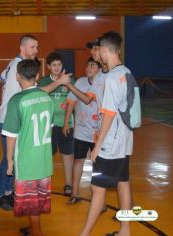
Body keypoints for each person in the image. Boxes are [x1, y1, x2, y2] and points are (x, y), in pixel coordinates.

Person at [0, 35, 69, 210]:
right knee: (9, 159)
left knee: (13, 157)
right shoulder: (16, 69)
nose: (36, 50)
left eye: (37, 47)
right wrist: (58, 82)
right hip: (9, 119)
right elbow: (32, 92)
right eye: (33, 47)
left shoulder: (16, 65)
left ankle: (7, 192)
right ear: (22, 48)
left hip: (15, 116)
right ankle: (0, 195)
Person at [80, 31, 133, 236]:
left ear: (104, 50)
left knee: (97, 189)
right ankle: (125, 231)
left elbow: (109, 114)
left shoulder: (111, 78)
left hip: (109, 144)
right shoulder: (126, 72)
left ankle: (84, 234)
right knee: (123, 182)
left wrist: (97, 146)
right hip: (124, 141)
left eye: (98, 49)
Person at [2, 59, 54, 236]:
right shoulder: (47, 97)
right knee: (38, 198)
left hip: (27, 161)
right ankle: (34, 228)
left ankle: (36, 232)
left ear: (17, 76)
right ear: (38, 76)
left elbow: (10, 135)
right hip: (44, 159)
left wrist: (9, 161)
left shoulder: (17, 100)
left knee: (31, 203)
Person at [63, 57, 101, 204]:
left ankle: (99, 198)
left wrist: (68, 84)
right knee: (78, 160)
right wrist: (66, 123)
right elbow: (71, 103)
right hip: (81, 130)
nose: (88, 68)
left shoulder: (102, 83)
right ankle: (75, 193)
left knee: (97, 164)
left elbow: (87, 99)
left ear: (99, 68)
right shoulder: (80, 82)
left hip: (98, 132)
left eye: (92, 65)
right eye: (87, 65)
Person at [39, 52, 75, 196]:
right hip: (48, 126)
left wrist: (66, 123)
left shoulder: (70, 80)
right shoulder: (43, 81)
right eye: (54, 65)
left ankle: (68, 185)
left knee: (67, 156)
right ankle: (45, 184)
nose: (57, 67)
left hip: (66, 124)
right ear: (48, 66)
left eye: (59, 64)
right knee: (48, 156)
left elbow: (72, 102)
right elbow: (39, 97)